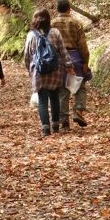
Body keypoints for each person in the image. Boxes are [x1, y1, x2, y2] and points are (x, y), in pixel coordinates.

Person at [24, 8, 73, 136]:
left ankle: (46, 128)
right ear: (48, 19)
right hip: (55, 70)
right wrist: (69, 65)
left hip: (38, 71)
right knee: (54, 97)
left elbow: (27, 55)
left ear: (35, 20)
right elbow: (63, 51)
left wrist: (30, 69)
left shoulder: (31, 35)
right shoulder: (55, 32)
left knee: (42, 99)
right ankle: (56, 125)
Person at [51, 0, 90, 129]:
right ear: (69, 8)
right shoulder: (76, 23)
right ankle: (78, 110)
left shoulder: (52, 24)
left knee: (63, 90)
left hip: (58, 60)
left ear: (57, 9)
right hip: (75, 58)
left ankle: (64, 121)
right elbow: (82, 45)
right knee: (80, 87)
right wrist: (86, 62)